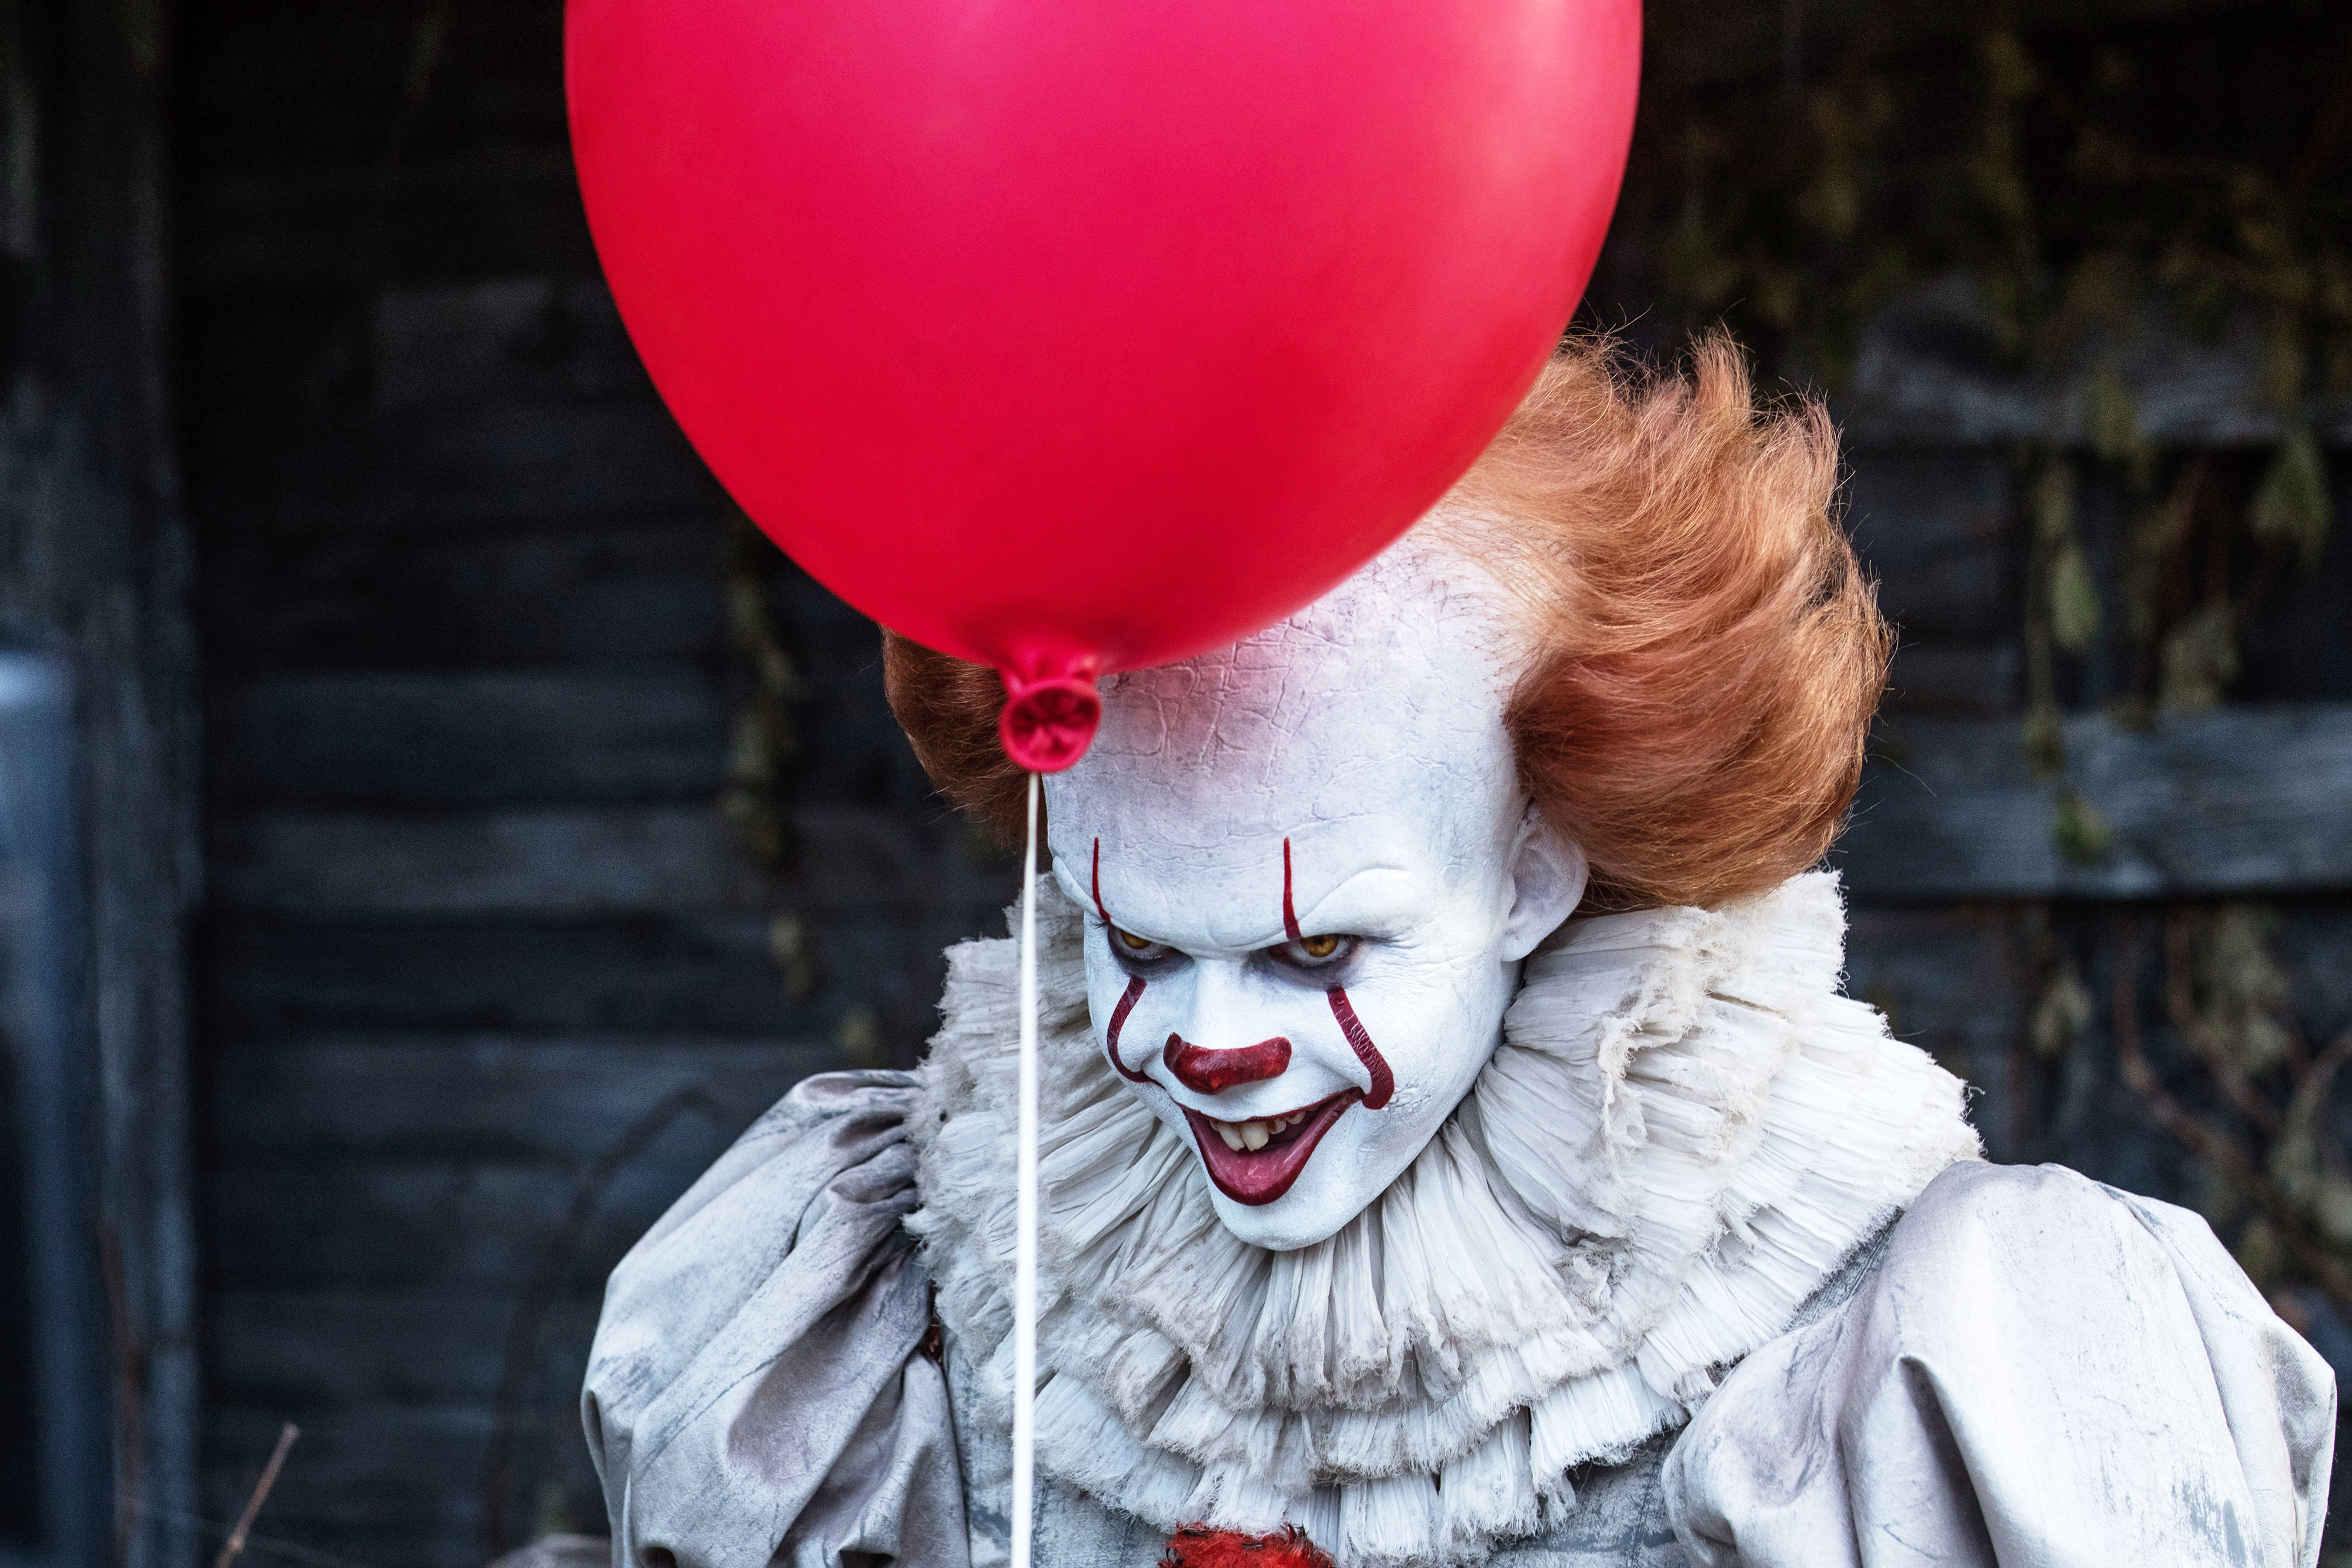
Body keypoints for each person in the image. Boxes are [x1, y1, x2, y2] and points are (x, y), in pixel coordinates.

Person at [580, 339, 2336, 1568]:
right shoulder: (887, 1269)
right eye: (1129, 934)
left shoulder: (1927, 1343)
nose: (1207, 1041)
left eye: (1320, 942)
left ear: (1535, 864)